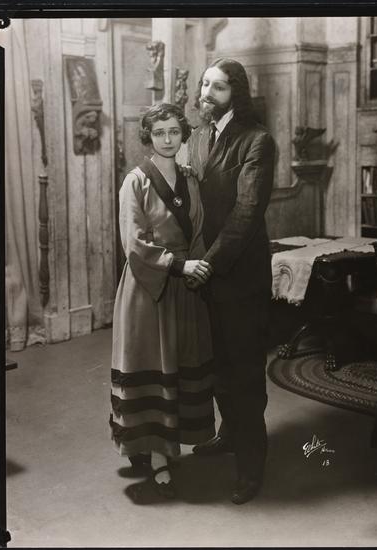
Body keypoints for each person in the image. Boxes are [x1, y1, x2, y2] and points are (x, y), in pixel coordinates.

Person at [109, 103, 215, 499]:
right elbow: (134, 243)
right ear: (148, 137)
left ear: (183, 134)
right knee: (153, 365)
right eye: (159, 133)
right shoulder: (135, 182)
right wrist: (178, 266)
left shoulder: (190, 179)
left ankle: (167, 445)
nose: (167, 139)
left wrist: (198, 268)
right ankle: (156, 456)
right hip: (149, 286)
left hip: (186, 287)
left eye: (174, 131)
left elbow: (199, 231)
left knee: (180, 363)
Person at [187, 58, 276, 504]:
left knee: (244, 375)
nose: (207, 93)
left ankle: (251, 466)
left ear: (236, 93)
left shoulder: (258, 140)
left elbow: (246, 212)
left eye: (218, 87)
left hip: (240, 277)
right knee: (218, 367)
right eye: (205, 84)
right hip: (207, 273)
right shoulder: (199, 137)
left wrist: (208, 262)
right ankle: (228, 434)